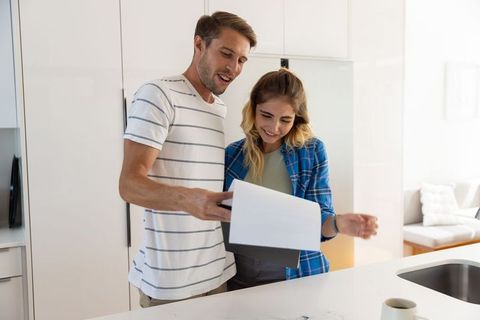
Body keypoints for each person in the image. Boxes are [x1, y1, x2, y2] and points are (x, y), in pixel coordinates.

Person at [119, 11, 256, 306]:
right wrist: (188, 199)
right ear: (199, 44)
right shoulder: (159, 94)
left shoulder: (218, 108)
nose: (233, 68)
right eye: (226, 54)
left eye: (242, 60)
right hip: (170, 284)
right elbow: (129, 184)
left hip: (217, 274)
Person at [224, 69, 378, 290]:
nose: (274, 128)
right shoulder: (233, 155)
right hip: (239, 278)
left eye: (285, 119)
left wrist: (337, 223)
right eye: (266, 115)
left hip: (298, 277)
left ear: (297, 118)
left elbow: (319, 217)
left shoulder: (311, 151)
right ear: (253, 110)